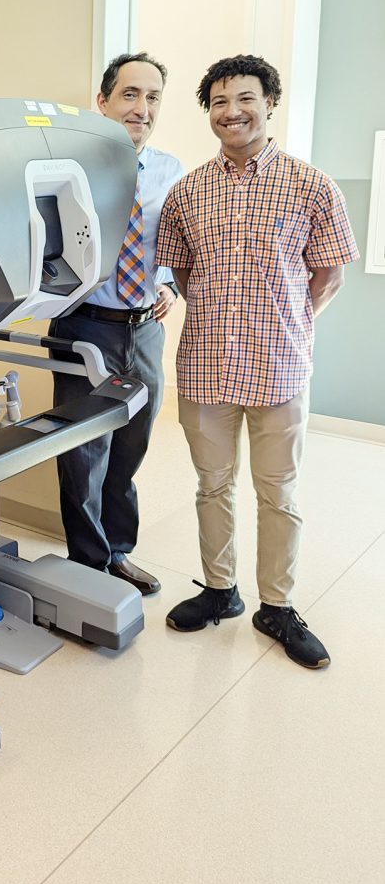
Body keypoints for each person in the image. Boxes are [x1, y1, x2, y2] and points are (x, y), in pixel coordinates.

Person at [156, 54, 358, 669]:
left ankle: (278, 606)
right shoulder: (188, 190)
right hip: (206, 369)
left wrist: (288, 324)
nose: (231, 112)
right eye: (218, 102)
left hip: (280, 369)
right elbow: (182, 270)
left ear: (269, 103)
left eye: (244, 99)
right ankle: (220, 591)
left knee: (278, 492)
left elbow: (329, 274)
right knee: (212, 486)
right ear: (208, 113)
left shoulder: (311, 183)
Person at [50, 52, 183, 596]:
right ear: (102, 102)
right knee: (85, 452)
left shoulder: (171, 171)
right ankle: (88, 565)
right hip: (85, 323)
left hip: (144, 327)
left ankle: (118, 552)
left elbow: (173, 240)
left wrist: (170, 283)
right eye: (130, 94)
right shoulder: (68, 165)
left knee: (132, 443)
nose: (142, 108)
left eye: (152, 97)